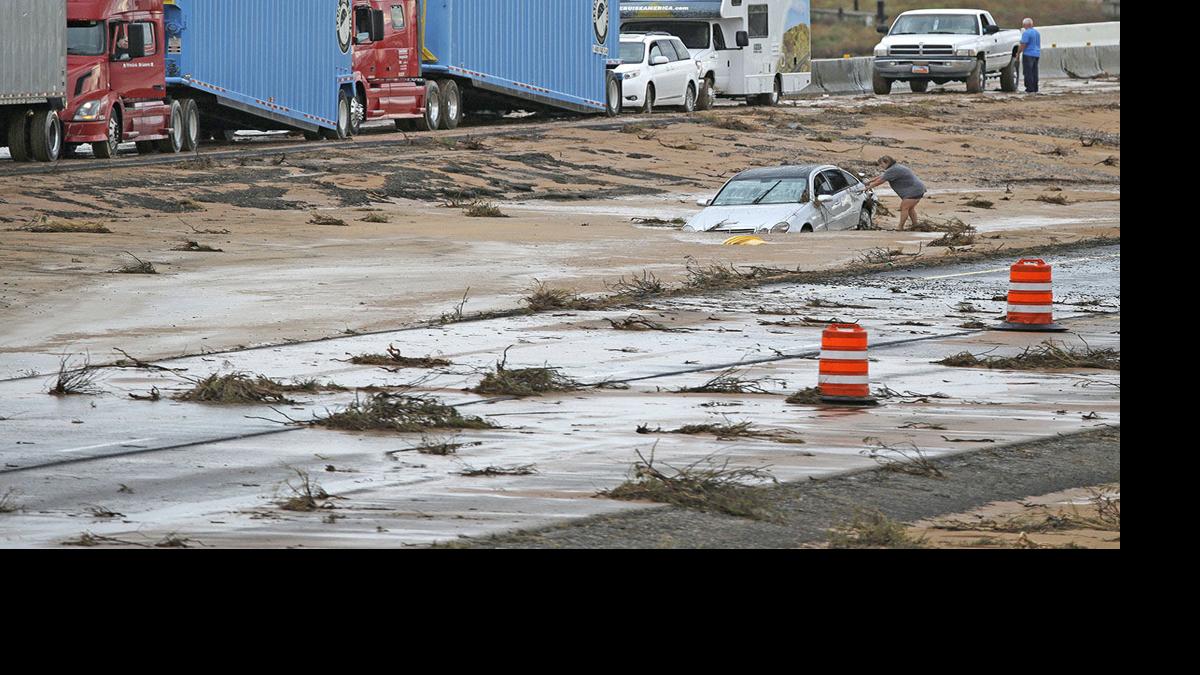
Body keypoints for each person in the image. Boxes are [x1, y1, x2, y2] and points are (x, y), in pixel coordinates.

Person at [862, 156, 926, 231]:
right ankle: (915, 225)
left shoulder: (893, 170)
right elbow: (882, 176)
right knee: (910, 208)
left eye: (881, 164)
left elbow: (880, 181)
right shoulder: (895, 168)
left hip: (914, 190)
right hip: (918, 188)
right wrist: (869, 181)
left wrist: (866, 188)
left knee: (904, 207)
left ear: (887, 162)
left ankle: (900, 227)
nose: (880, 166)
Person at [1019, 18, 1041, 94]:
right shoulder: (1037, 33)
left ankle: (1029, 88)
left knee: (1028, 72)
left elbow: (1023, 44)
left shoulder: (1026, 33)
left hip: (1028, 54)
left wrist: (1018, 53)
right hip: (1036, 54)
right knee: (1035, 71)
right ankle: (1035, 88)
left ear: (1025, 25)